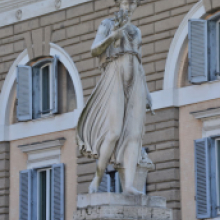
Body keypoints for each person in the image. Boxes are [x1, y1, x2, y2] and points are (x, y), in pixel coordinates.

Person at [77, 0, 154, 195]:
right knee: (114, 133)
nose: (129, 7)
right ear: (119, 4)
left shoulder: (137, 31)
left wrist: (146, 92)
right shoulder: (107, 24)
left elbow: (140, 62)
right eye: (126, 3)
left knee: (135, 134)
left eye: (133, 3)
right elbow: (94, 49)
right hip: (115, 75)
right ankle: (97, 178)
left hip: (135, 79)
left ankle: (128, 185)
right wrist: (112, 37)